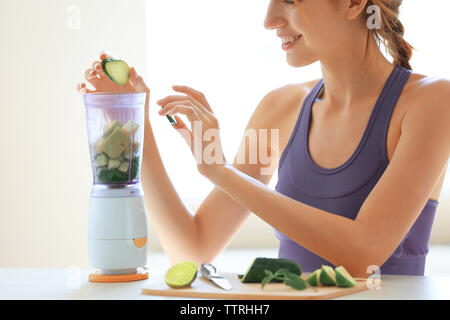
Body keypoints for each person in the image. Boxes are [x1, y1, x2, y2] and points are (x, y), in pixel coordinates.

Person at [77, 0, 450, 277]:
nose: (269, 19)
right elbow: (193, 249)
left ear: (354, 4)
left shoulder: (432, 103)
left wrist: (221, 172)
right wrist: (135, 115)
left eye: (289, 1)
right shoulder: (281, 109)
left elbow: (363, 253)